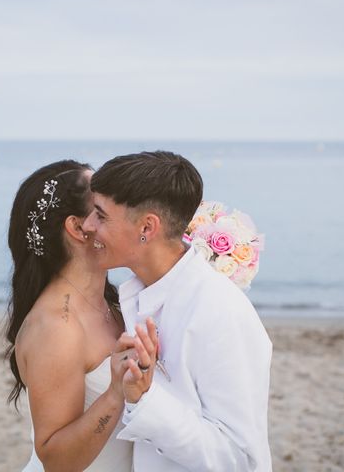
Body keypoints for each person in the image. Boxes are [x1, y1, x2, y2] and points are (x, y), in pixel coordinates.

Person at [83, 151, 273, 471]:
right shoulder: (133, 295)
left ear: (147, 226)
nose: (88, 225)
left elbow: (239, 459)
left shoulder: (219, 312)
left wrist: (146, 399)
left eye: (100, 216)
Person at [4, 160, 134, 471]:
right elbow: (57, 461)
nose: (120, 209)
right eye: (102, 206)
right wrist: (116, 394)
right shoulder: (56, 328)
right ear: (77, 228)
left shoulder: (113, 303)